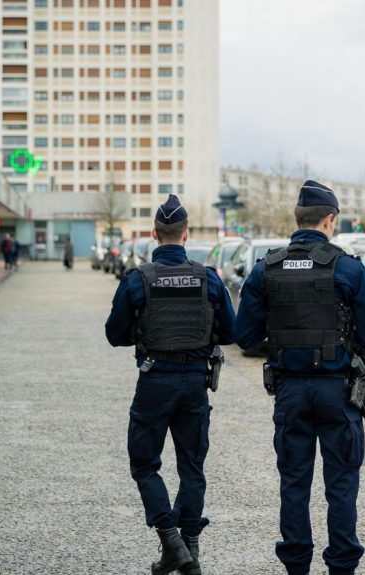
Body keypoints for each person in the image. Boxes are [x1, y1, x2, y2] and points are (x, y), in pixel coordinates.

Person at [233, 180, 365, 575]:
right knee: (341, 485)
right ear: (329, 220)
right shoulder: (349, 269)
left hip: (290, 391)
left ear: (297, 219)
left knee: (295, 483)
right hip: (338, 392)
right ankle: (342, 568)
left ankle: (296, 566)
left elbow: (244, 336)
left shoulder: (266, 268)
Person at [105, 194, 237, 575]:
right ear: (186, 235)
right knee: (192, 467)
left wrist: (145, 331)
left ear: (153, 234)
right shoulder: (207, 277)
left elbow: (115, 334)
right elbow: (229, 331)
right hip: (195, 382)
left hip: (155, 380)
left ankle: (170, 539)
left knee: (144, 464)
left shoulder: (138, 279)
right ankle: (190, 550)